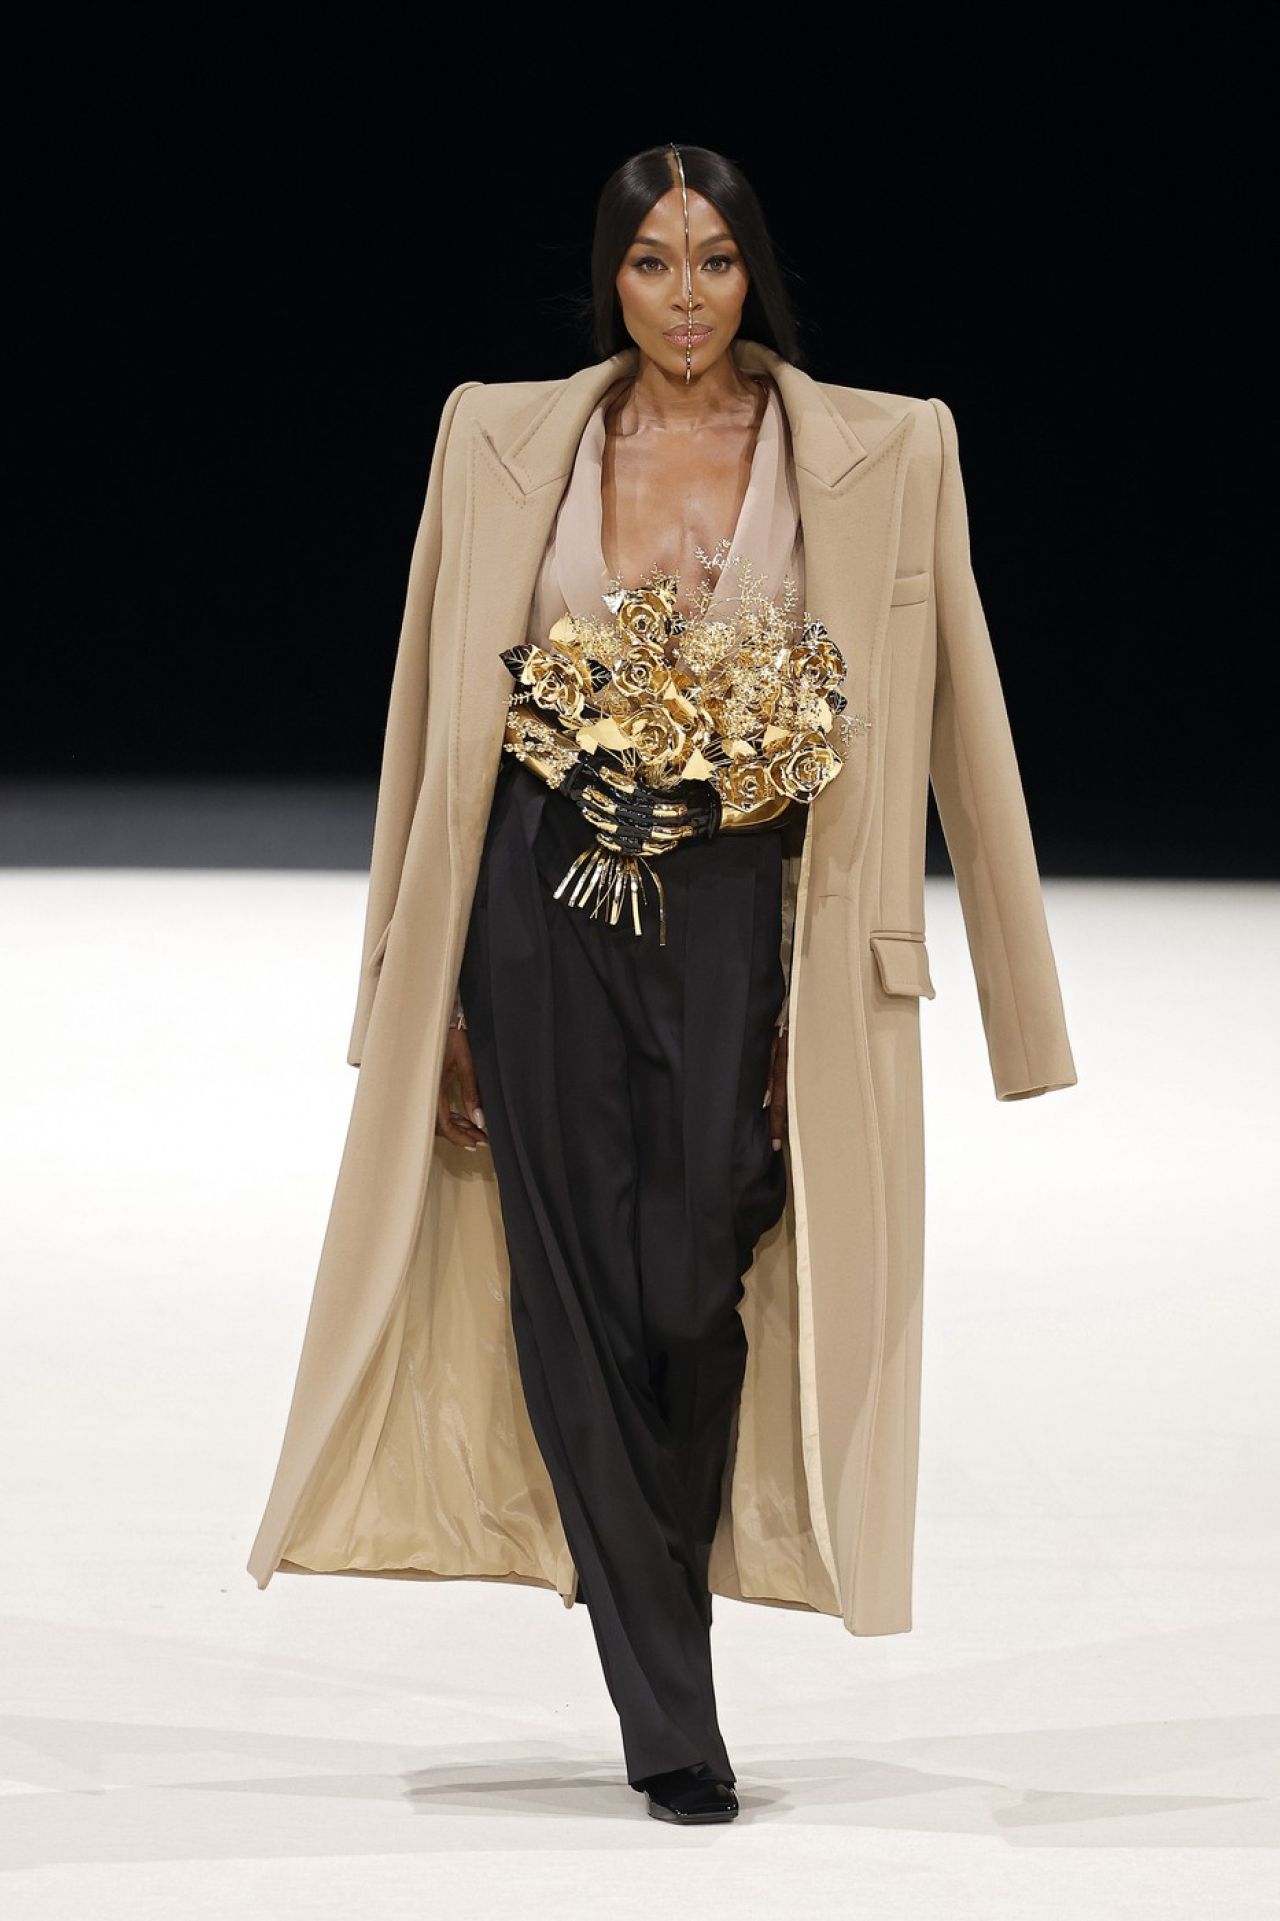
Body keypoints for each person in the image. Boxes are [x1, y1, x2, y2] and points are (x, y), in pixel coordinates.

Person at [440, 142, 811, 1824]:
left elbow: (882, 695)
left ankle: (655, 1606)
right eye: (653, 262)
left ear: (753, 271)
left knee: (688, 1275)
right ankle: (674, 1710)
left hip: (731, 900)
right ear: (610, 276)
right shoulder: (511, 439)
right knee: (571, 1288)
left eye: (713, 260)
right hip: (541, 895)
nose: (684, 296)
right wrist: (438, 991)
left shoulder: (845, 451)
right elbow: (442, 710)